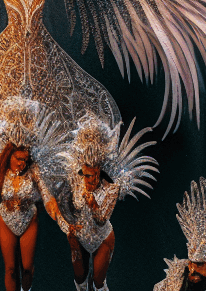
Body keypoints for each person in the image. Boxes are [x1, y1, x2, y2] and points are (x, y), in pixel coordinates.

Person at [0, 97, 74, 291]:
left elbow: (47, 197)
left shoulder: (33, 170)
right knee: (11, 269)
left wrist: (64, 225)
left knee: (27, 269)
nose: (23, 163)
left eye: (26, 159)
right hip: (5, 218)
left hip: (29, 218)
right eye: (19, 159)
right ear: (9, 155)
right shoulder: (1, 172)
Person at [58, 115, 157, 291]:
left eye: (91, 175)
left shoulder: (112, 187)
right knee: (80, 281)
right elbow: (64, 205)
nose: (87, 179)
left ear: (99, 172)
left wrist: (94, 205)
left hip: (102, 237)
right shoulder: (76, 179)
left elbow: (102, 219)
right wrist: (68, 229)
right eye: (84, 174)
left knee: (98, 282)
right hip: (79, 236)